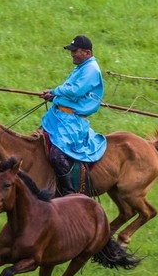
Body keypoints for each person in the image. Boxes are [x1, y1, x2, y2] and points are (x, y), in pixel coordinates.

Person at [39, 35, 108, 195]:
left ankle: (70, 193)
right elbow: (70, 94)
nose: (72, 54)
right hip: (58, 118)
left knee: (56, 155)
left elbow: (75, 91)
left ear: (87, 52)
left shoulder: (91, 70)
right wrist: (54, 97)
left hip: (71, 123)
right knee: (37, 143)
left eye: (75, 51)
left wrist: (54, 91)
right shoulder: (81, 67)